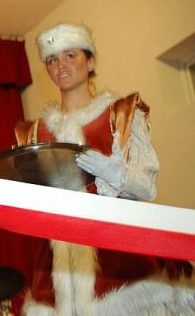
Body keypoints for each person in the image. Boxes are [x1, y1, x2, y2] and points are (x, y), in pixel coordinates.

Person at [15, 23, 195, 315]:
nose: (60, 65)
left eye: (70, 55)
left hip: (121, 260)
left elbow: (147, 188)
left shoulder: (120, 114)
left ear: (91, 61)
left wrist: (115, 174)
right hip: (57, 270)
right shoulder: (34, 133)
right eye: (52, 60)